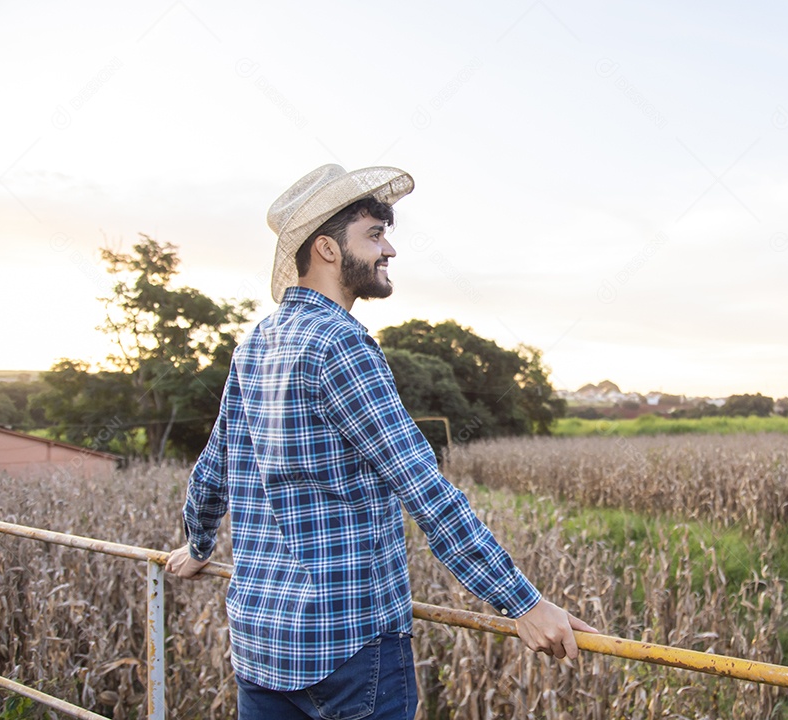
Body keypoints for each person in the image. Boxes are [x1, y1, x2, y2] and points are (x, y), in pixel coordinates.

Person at [165, 164, 596, 719]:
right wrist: (523, 603)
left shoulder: (257, 343)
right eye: (374, 234)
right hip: (348, 650)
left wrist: (198, 548)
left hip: (261, 644)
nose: (389, 248)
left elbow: (211, 471)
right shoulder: (341, 345)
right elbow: (425, 490)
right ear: (325, 248)